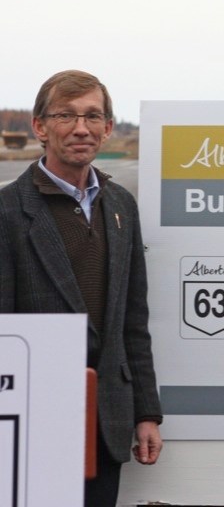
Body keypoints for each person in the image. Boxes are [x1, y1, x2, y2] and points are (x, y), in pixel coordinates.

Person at [0, 70, 163, 506]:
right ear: (39, 126)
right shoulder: (8, 211)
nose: (80, 128)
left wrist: (146, 412)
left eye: (93, 116)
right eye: (66, 116)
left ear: (108, 128)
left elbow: (133, 321)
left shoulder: (121, 207)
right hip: (30, 418)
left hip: (106, 417)